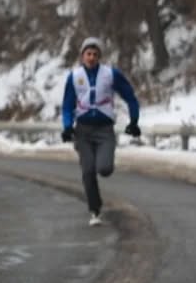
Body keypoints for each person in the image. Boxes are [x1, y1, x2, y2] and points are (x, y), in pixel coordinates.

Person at [60, 35, 141, 226]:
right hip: (83, 130)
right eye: (88, 53)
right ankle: (95, 210)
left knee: (103, 169)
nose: (91, 57)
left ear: (100, 57)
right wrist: (67, 126)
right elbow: (67, 105)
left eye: (95, 54)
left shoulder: (111, 74)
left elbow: (130, 96)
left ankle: (102, 168)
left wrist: (134, 121)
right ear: (82, 56)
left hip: (104, 130)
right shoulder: (75, 77)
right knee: (88, 171)